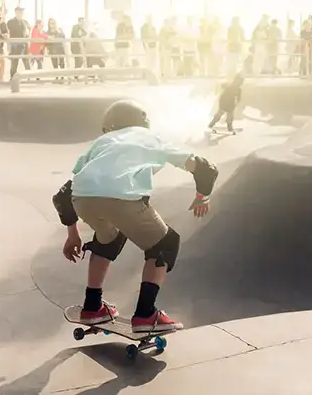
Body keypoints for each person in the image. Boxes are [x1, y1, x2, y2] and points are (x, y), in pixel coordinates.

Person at [53, 99, 218, 331]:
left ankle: (92, 307)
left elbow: (62, 196)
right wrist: (203, 196)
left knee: (108, 237)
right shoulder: (149, 137)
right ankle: (145, 315)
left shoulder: (100, 143)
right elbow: (204, 168)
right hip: (123, 198)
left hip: (82, 199)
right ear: (143, 122)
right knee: (166, 243)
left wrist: (73, 234)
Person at [6, 7, 31, 78]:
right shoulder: (10, 22)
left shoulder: (25, 22)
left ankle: (30, 77)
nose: (21, 13)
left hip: (24, 44)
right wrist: (8, 45)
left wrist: (28, 39)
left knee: (26, 61)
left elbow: (28, 30)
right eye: (19, 11)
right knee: (14, 62)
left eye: (22, 11)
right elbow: (7, 32)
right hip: (15, 45)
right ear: (16, 12)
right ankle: (12, 77)